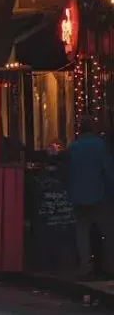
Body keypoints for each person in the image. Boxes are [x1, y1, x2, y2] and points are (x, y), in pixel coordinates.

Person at [67, 116, 114, 278]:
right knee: (107, 232)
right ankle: (109, 267)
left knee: (82, 233)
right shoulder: (100, 146)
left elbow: (68, 171)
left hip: (78, 195)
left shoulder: (74, 147)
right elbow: (108, 171)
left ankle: (86, 267)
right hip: (98, 194)